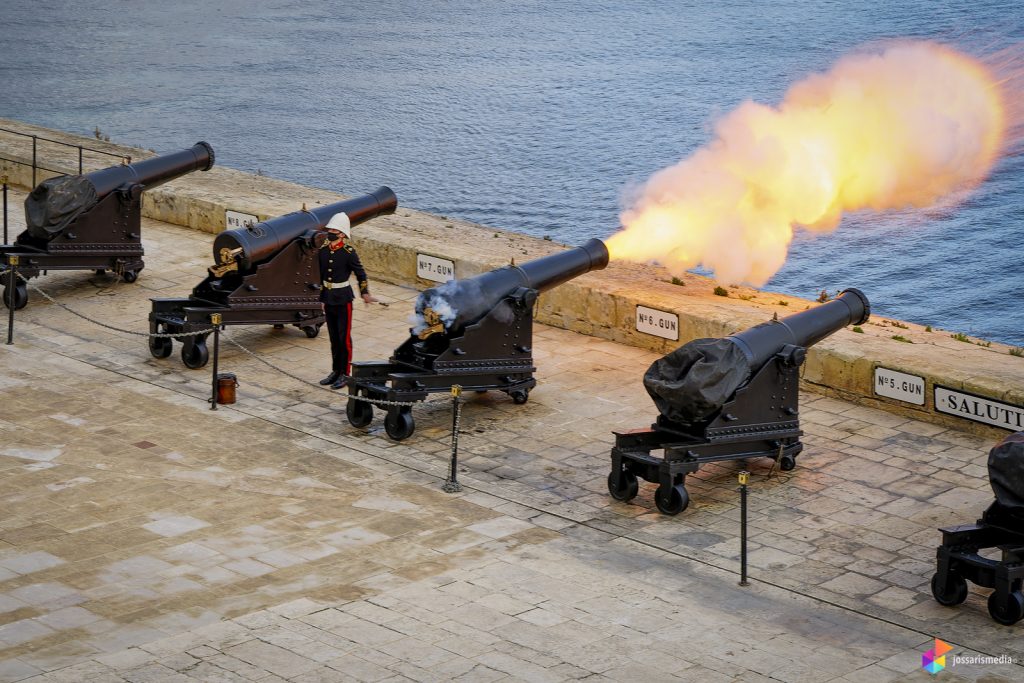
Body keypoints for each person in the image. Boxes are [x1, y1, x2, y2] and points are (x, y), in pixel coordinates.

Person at [317, 212, 377, 389]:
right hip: (328, 298)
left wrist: (364, 293)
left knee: (344, 339)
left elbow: (361, 274)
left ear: (342, 234)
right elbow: (320, 276)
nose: (331, 232)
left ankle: (345, 374)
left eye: (334, 229)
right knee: (334, 338)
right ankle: (335, 371)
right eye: (330, 229)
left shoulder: (348, 253)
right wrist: (320, 297)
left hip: (343, 299)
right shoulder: (323, 251)